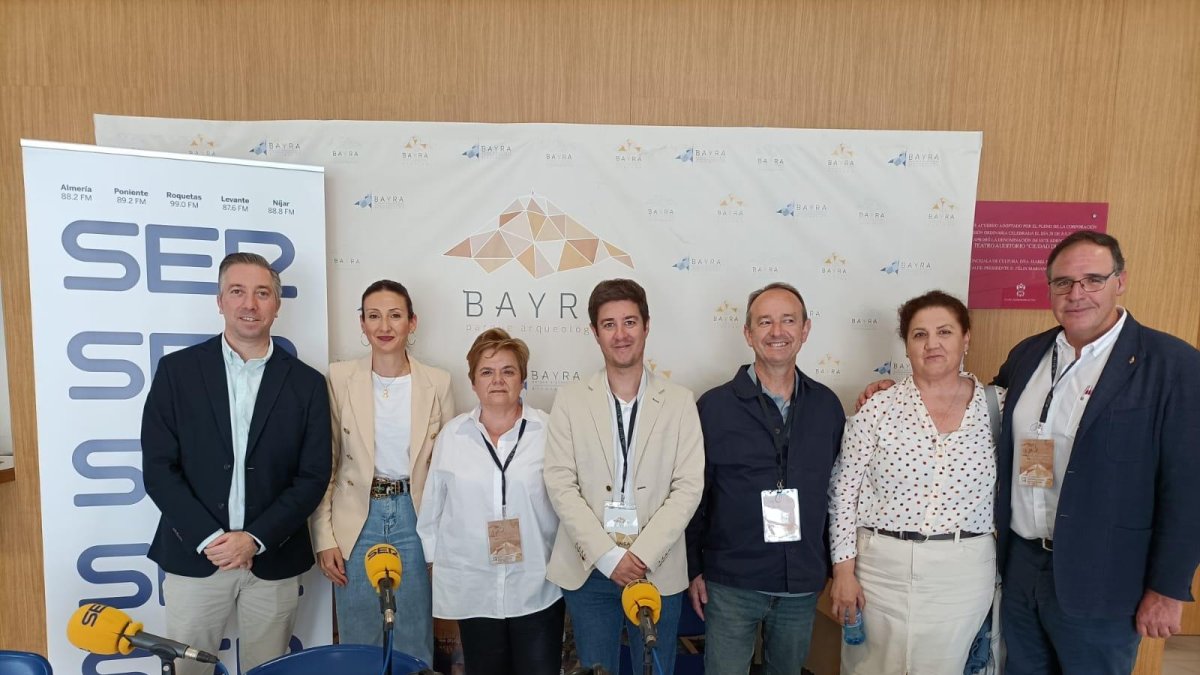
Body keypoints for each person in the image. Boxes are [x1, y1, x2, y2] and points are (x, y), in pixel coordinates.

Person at [859, 231, 1200, 674]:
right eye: (1063, 283)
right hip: (1020, 567)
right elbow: (969, 403)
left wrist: (1168, 588)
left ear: (1121, 281)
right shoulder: (1030, 355)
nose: (1077, 294)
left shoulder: (1172, 365)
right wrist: (894, 393)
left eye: (1093, 279)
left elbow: (1188, 487)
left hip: (1104, 578)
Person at [141, 252, 332, 675]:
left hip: (273, 559)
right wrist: (210, 536)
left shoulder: (307, 383)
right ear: (220, 300)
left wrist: (255, 539)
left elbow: (313, 475)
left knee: (270, 671)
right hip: (195, 557)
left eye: (262, 293)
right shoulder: (177, 372)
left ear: (277, 305)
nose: (250, 304)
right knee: (188, 671)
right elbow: (158, 467)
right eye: (238, 291)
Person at [830, 290, 999, 674]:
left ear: (966, 337)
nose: (932, 343)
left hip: (963, 573)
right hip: (879, 572)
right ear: (907, 346)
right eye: (919, 335)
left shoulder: (998, 407)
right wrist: (843, 572)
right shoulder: (879, 406)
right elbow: (843, 492)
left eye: (944, 332)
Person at [544, 278, 704, 675]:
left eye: (629, 322)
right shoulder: (570, 399)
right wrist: (608, 555)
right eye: (609, 324)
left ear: (646, 326)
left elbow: (688, 487)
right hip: (590, 566)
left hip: (657, 564)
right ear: (595, 332)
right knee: (597, 668)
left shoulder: (680, 402)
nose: (621, 334)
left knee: (656, 668)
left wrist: (641, 554)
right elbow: (560, 483)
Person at [685, 282, 846, 674]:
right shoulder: (714, 406)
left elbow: (840, 493)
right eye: (765, 322)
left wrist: (834, 567)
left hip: (801, 584)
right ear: (748, 333)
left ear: (805, 330)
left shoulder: (827, 406)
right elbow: (694, 498)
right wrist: (693, 569)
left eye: (788, 320)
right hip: (731, 583)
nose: (777, 332)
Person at [309, 280, 453, 664]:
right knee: (359, 637)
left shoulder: (438, 382)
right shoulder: (339, 378)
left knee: (413, 636)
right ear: (362, 323)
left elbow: (445, 472)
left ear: (412, 322)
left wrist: (442, 541)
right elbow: (329, 461)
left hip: (414, 515)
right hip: (357, 515)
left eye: (394, 315)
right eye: (374, 316)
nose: (384, 325)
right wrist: (324, 536)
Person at [416, 328, 563, 675]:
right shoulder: (453, 436)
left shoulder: (550, 431)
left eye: (508, 371)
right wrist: (436, 562)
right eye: (487, 371)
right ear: (473, 381)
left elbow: (567, 502)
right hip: (475, 588)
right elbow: (433, 507)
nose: (498, 380)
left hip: (537, 586)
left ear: (523, 378)